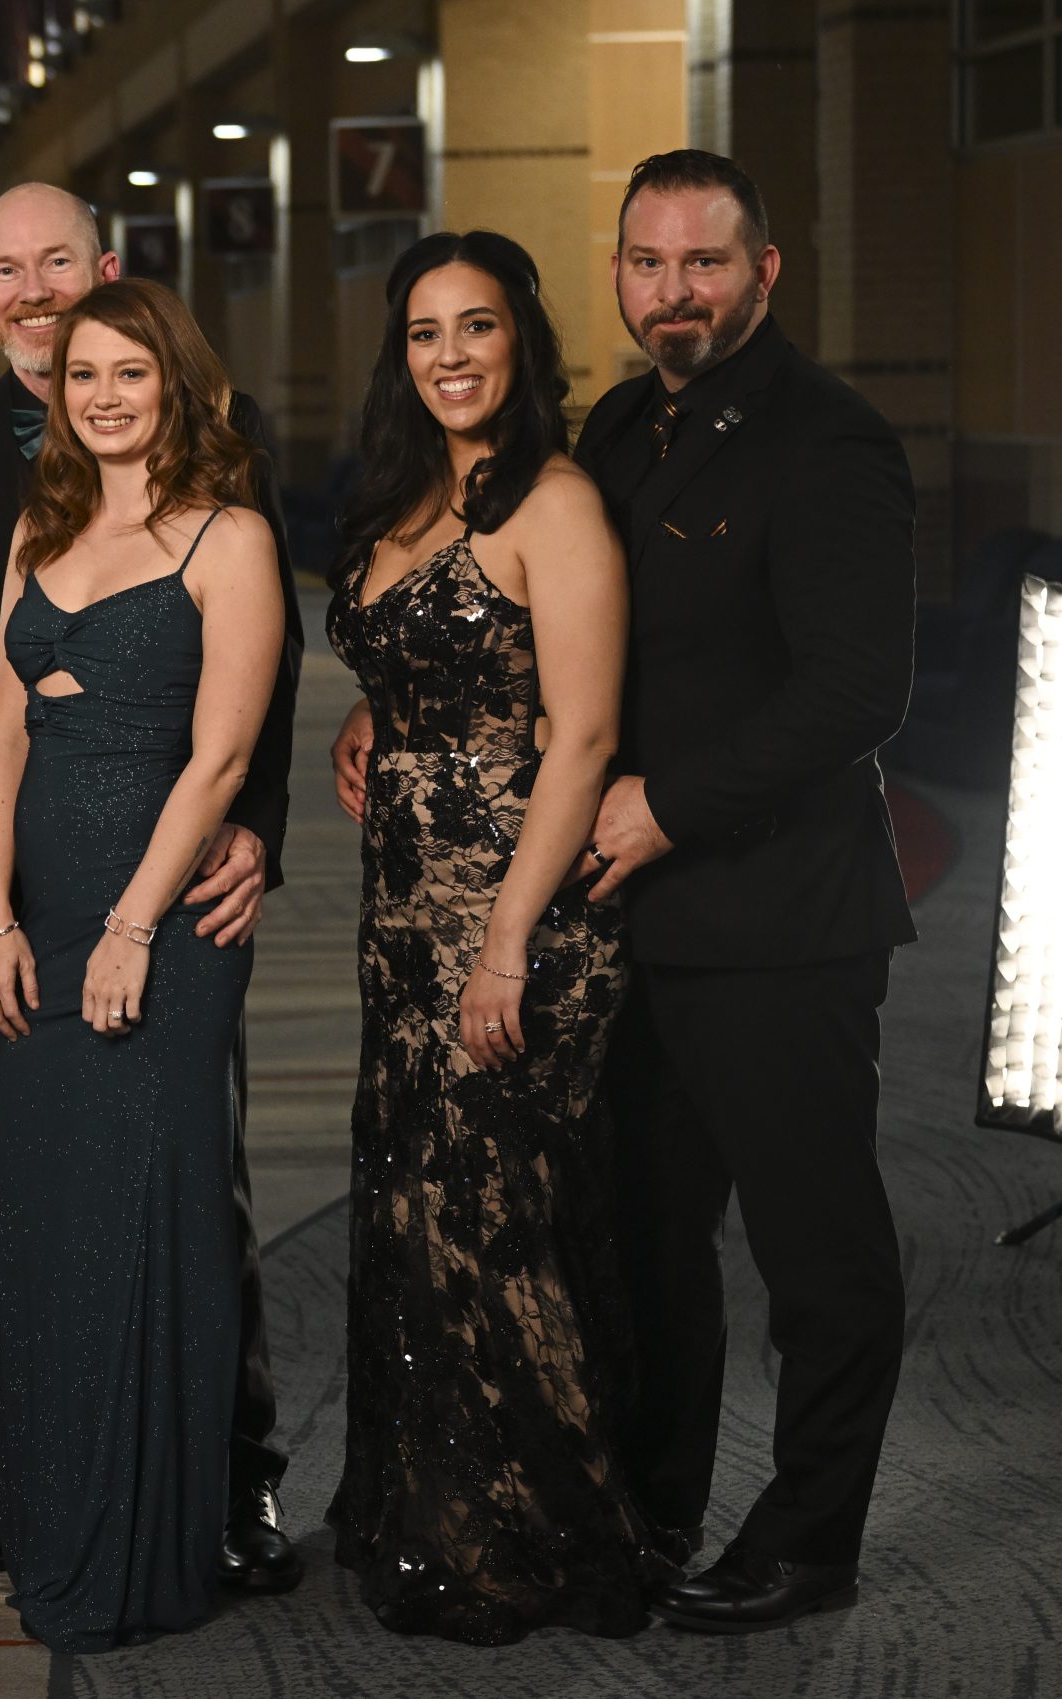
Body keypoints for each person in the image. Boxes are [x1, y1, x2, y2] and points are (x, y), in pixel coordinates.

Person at [0, 181, 304, 1590]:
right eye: (4, 270)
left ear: (104, 269)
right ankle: (52, 1480)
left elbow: (251, 701)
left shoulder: (234, 486)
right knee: (42, 1204)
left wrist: (250, 833)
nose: (32, 288)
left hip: (170, 884)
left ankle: (224, 1483)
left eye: (54, 262)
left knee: (185, 1189)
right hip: (27, 894)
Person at [321, 230, 673, 1645]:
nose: (450, 354)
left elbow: (581, 732)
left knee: (494, 1222)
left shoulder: (557, 499)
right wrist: (374, 711)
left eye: (475, 326)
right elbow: (428, 653)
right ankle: (444, 1514)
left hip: (517, 918)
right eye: (424, 332)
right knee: (418, 1212)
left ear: (519, 339)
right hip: (401, 921)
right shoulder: (410, 494)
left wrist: (508, 941)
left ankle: (559, 1537)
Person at [578, 150, 912, 1631]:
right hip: (634, 924)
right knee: (650, 1245)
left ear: (763, 271)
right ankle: (656, 1506)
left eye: (704, 263)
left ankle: (809, 1535)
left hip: (780, 920)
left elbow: (858, 688)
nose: (675, 293)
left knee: (814, 1251)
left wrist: (667, 804)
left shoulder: (828, 438)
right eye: (648, 263)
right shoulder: (614, 428)